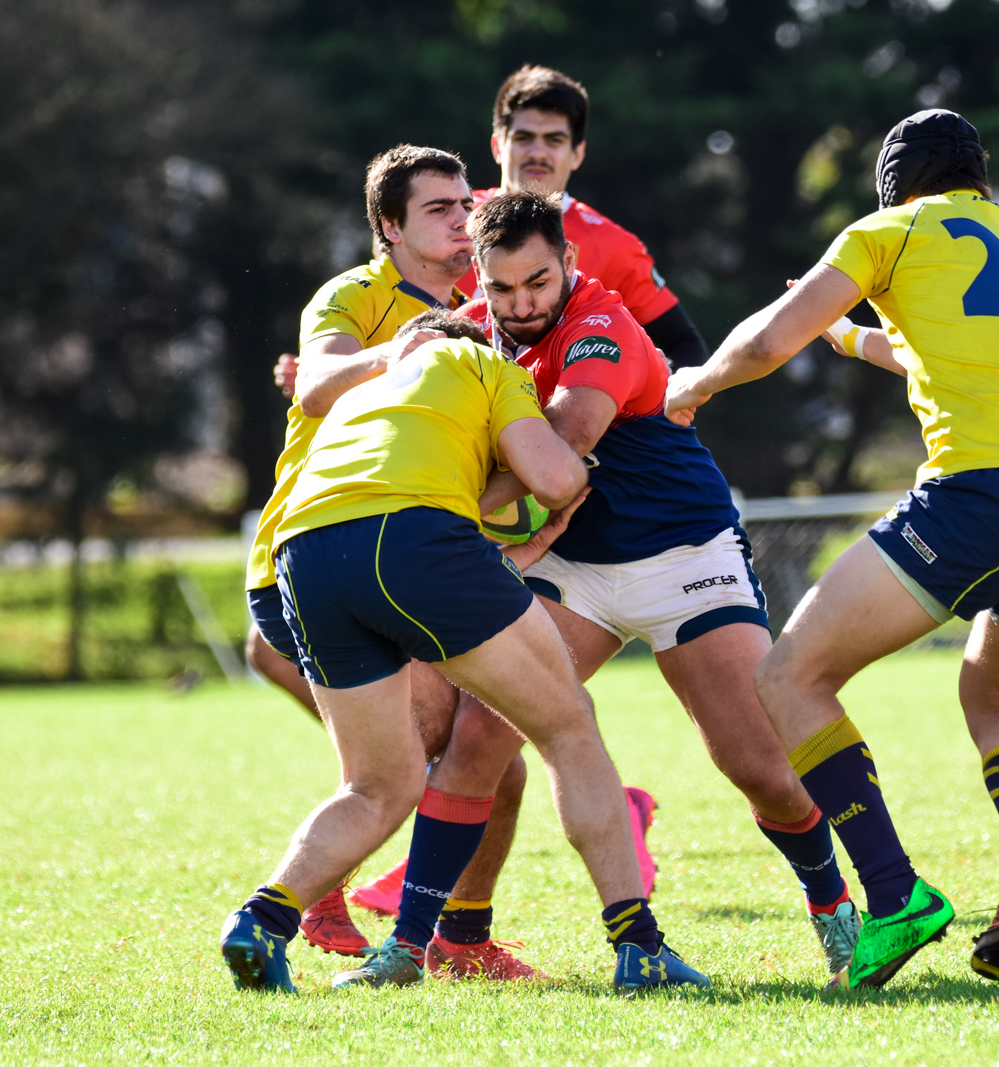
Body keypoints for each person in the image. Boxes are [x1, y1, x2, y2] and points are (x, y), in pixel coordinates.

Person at [664, 109, 999, 990]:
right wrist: (845, 334)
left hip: (984, 493)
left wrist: (698, 381)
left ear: (894, 186)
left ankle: (894, 893)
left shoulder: (890, 229)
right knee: (996, 698)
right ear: (976, 179)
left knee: (788, 676)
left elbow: (763, 341)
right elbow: (929, 356)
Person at [395, 190, 860, 980]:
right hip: (574, 566)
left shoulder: (603, 325)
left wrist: (451, 509)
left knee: (757, 764)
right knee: (478, 738)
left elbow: (568, 446)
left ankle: (833, 904)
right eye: (503, 288)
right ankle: (422, 943)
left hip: (684, 555)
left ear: (569, 262)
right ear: (480, 276)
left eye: (538, 282)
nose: (522, 304)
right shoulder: (472, 331)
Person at [221, 311, 710, 993]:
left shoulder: (367, 389)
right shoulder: (484, 365)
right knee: (567, 725)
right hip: (413, 537)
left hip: (303, 554)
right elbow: (555, 477)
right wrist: (564, 470)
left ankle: (261, 920)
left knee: (377, 786)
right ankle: (641, 945)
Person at [240, 144, 529, 961]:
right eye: (439, 208)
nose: (462, 218)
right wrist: (397, 352)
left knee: (488, 761)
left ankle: (448, 935)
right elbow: (317, 381)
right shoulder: (356, 295)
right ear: (388, 226)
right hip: (316, 559)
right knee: (441, 759)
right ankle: (350, 912)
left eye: (466, 203)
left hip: (414, 556)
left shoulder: (486, 309)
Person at [454, 64, 709, 369]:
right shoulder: (450, 221)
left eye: (554, 140)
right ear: (498, 146)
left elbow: (684, 345)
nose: (538, 152)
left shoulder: (613, 245)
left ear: (578, 153)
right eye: (523, 138)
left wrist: (655, 409)